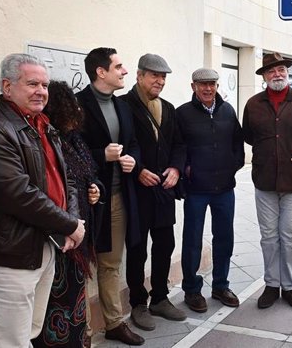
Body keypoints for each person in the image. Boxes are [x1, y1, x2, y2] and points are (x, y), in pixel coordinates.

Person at [0, 53, 85, 347]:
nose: (42, 91)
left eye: (44, 85)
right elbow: (17, 194)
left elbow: (65, 178)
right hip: (8, 254)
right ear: (7, 87)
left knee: (28, 333)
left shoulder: (41, 125)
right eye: (32, 83)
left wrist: (69, 222)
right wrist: (70, 224)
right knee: (11, 342)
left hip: (40, 246)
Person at [75, 47, 144, 346]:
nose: (124, 71)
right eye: (118, 66)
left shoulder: (123, 107)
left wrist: (132, 161)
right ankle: (82, 332)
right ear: (101, 72)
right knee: (80, 267)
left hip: (117, 198)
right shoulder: (77, 106)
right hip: (84, 202)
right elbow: (66, 154)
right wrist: (100, 156)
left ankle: (114, 323)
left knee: (111, 264)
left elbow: (132, 144)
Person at [242, 52, 292, 311]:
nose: (277, 74)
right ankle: (272, 285)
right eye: (271, 71)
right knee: (268, 236)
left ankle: (290, 286)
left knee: (290, 235)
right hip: (264, 181)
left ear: (287, 72)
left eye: (281, 70)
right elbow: (250, 136)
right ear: (264, 76)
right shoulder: (253, 105)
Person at [33, 80, 103, 348]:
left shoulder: (73, 140)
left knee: (74, 299)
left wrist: (96, 190)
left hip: (76, 234)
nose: (76, 110)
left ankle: (77, 341)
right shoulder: (47, 140)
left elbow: (88, 176)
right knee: (54, 303)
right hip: (59, 238)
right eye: (70, 105)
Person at [120, 53, 187, 330]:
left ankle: (160, 298)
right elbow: (119, 144)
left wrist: (175, 169)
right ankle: (138, 303)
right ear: (139, 76)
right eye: (154, 75)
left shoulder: (169, 108)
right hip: (137, 191)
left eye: (163, 77)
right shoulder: (122, 105)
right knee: (137, 250)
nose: (160, 81)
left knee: (165, 245)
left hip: (164, 191)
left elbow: (179, 145)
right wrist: (138, 170)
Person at [176, 68, 245, 313]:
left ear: (217, 86)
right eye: (202, 84)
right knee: (192, 240)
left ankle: (220, 285)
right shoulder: (182, 114)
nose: (208, 89)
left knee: (225, 238)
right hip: (197, 190)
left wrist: (232, 167)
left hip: (225, 189)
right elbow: (177, 147)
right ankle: (192, 290)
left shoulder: (228, 110)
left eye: (212, 84)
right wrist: (186, 170)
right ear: (193, 86)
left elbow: (238, 143)